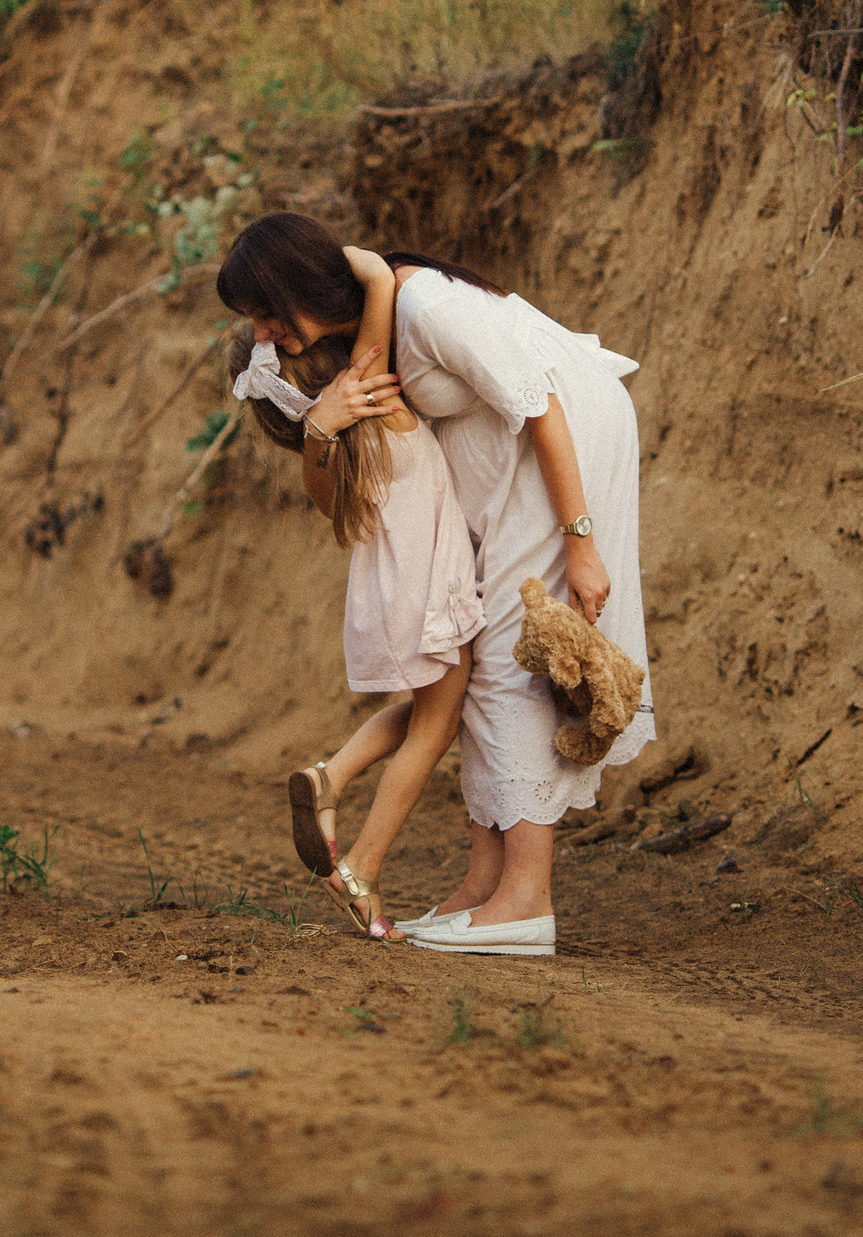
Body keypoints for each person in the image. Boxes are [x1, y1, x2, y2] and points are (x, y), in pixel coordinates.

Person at [219, 214, 653, 958]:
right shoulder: (371, 346)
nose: (262, 335)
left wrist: (581, 544)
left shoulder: (424, 307)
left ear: (296, 288)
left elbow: (541, 400)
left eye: (265, 314)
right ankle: (487, 882)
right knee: (482, 671)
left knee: (508, 661)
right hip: (504, 479)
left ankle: (524, 897)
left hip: (566, 439)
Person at [227, 247, 475, 940]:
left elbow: (319, 488)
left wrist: (317, 423)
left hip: (394, 591)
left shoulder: (336, 446)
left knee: (430, 706)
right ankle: (362, 865)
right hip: (427, 586)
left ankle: (330, 776)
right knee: (435, 726)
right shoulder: (373, 390)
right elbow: (375, 276)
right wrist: (321, 267)